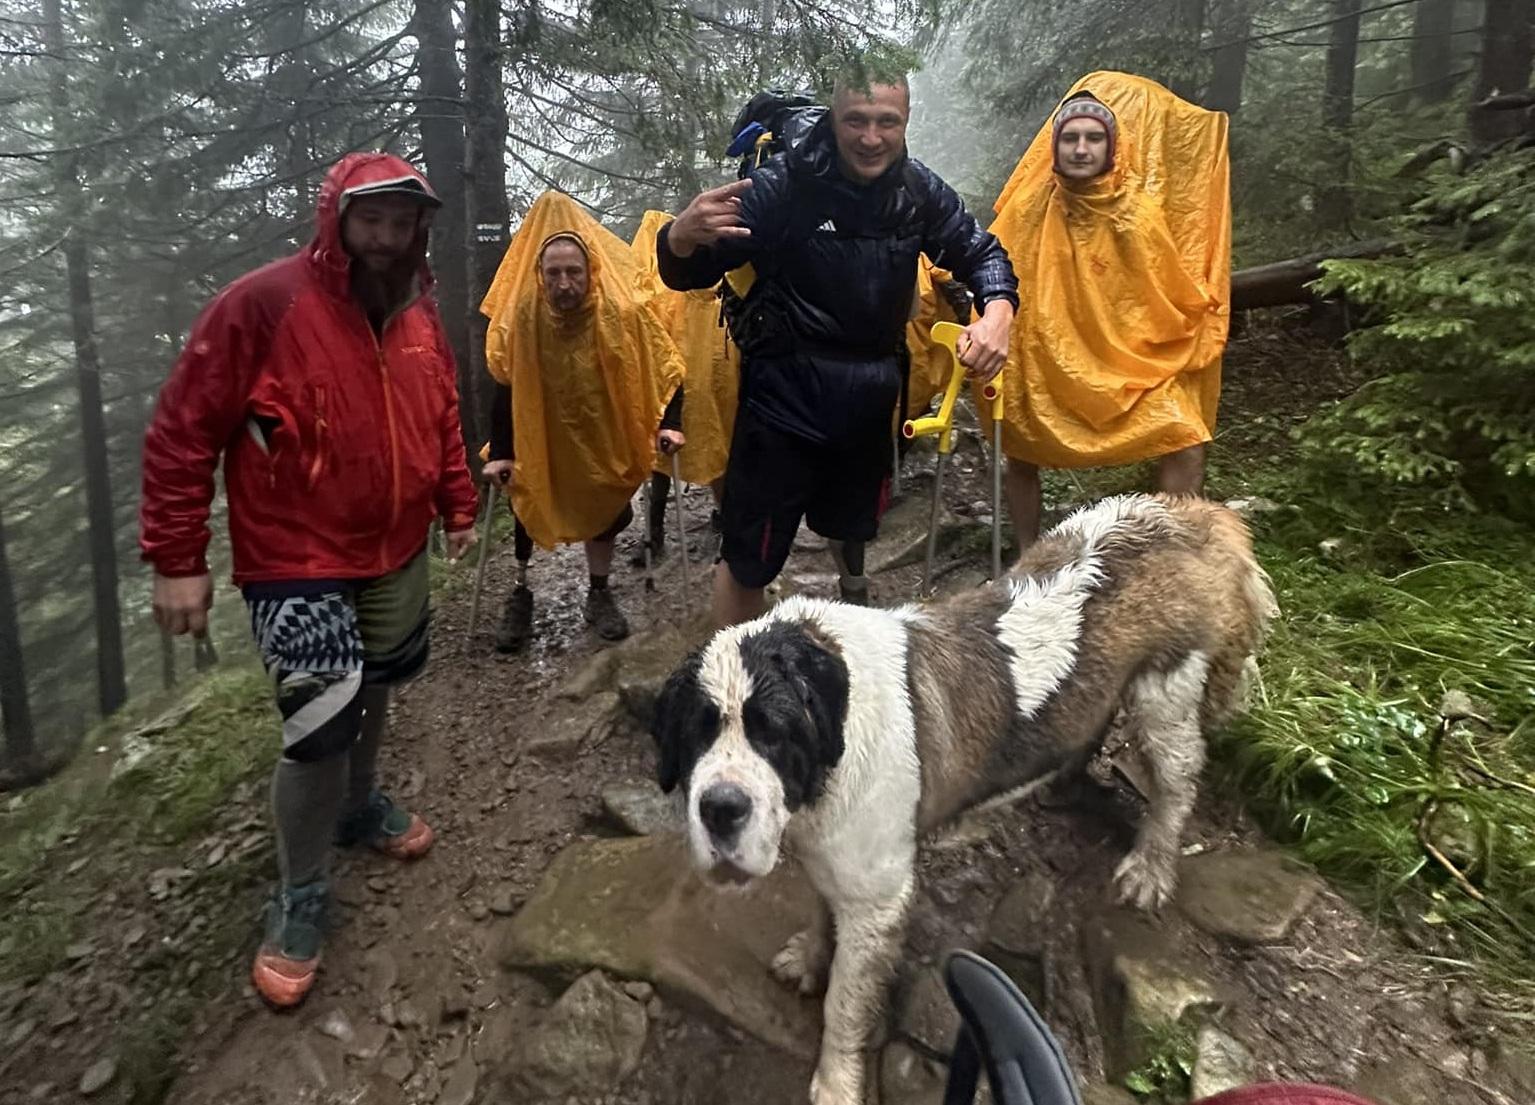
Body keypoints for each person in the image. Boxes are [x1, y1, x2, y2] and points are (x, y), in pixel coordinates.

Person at [139, 153, 480, 1009]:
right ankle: (300, 890)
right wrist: (178, 560)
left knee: (377, 687)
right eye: (372, 220)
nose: (387, 237)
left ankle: (360, 806)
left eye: (402, 223)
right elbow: (184, 431)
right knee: (319, 723)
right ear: (336, 218)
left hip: (395, 547)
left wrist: (458, 501)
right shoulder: (263, 303)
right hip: (294, 558)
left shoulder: (416, 312)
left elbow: (438, 412)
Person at [658, 70, 1019, 626]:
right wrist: (678, 237)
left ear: (905, 123)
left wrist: (997, 311)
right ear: (833, 118)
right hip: (783, 398)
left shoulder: (917, 190)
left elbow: (981, 251)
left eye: (886, 122)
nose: (870, 138)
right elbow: (692, 270)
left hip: (871, 393)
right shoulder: (786, 184)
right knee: (750, 557)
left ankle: (852, 608)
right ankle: (735, 682)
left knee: (852, 525)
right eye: (855, 120)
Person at [988, 74, 1232, 550]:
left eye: (1094, 137)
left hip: (1129, 365)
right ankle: (1024, 553)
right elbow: (992, 263)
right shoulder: (1030, 207)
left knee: (1184, 433)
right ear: (1054, 146)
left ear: (1111, 144)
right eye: (1071, 137)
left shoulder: (1135, 213)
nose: (1081, 148)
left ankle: (1173, 556)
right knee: (1018, 446)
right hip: (1045, 365)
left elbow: (1161, 297)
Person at [480, 191, 686, 651]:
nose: (564, 282)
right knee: (529, 500)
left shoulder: (621, 313)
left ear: (590, 270)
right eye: (554, 273)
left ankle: (599, 591)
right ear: (540, 275)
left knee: (604, 509)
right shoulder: (522, 318)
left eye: (573, 272)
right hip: (542, 436)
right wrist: (503, 450)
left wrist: (667, 423)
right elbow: (505, 384)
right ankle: (521, 590)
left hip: (601, 435)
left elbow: (667, 369)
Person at [627, 209, 740, 567]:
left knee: (715, 443)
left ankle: (728, 523)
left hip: (712, 359)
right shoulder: (659, 277)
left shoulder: (710, 266)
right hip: (676, 366)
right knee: (665, 449)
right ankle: (654, 534)